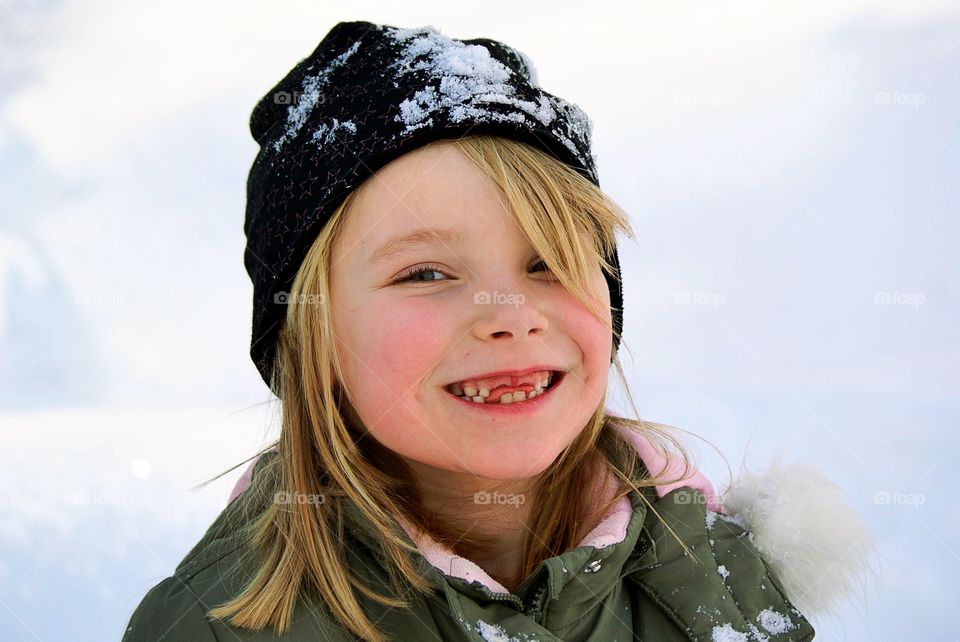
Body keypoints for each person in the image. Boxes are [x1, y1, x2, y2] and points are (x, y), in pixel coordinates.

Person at [122, 20, 875, 642]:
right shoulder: (218, 626)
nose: (511, 315)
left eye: (547, 262)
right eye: (424, 273)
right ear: (311, 342)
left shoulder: (709, 577)